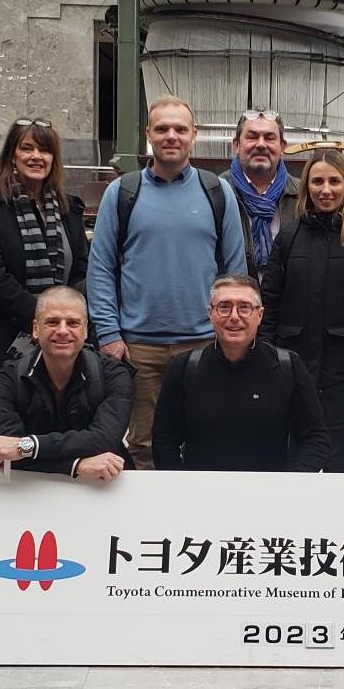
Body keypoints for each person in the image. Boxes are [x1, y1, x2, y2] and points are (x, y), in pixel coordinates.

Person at [86, 97, 248, 469]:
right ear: (148, 135)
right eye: (162, 129)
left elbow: (235, 275)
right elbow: (101, 269)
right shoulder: (123, 193)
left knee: (207, 438)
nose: (171, 136)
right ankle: (148, 526)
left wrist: (230, 335)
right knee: (143, 442)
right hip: (138, 349)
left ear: (195, 135)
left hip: (203, 345)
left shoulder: (217, 193)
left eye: (180, 129)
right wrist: (109, 335)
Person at [259, 147, 344, 472]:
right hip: (293, 365)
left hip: (342, 373)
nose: (326, 189)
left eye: (334, 181)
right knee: (291, 457)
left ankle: (334, 524)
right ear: (307, 187)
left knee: (333, 459)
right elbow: (270, 303)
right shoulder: (289, 237)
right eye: (317, 181)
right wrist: (268, 359)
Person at [0, 118, 88, 404]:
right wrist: (39, 317)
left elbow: (81, 271)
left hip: (59, 342)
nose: (36, 157)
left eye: (44, 150)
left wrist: (58, 321)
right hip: (1, 340)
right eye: (27, 148)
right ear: (12, 154)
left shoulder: (69, 208)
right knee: (3, 437)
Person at [153, 275, 328, 472]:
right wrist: (181, 485)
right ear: (210, 314)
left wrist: (292, 483)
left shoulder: (288, 366)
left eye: (244, 307)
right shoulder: (185, 367)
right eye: (224, 307)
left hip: (270, 494)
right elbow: (164, 440)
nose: (234, 316)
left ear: (259, 315)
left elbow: (315, 437)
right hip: (201, 494)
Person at [0, 286, 133, 481]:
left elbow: (103, 441)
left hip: (102, 488)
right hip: (27, 494)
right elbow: (3, 450)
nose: (63, 331)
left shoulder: (113, 374)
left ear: (86, 329)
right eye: (52, 322)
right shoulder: (9, 377)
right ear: (36, 329)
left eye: (73, 323)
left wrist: (29, 446)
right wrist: (75, 466)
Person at [226, 108, 300, 276]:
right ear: (236, 145)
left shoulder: (303, 196)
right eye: (252, 137)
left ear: (282, 146)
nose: (261, 144)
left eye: (269, 137)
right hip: (237, 300)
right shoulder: (218, 193)